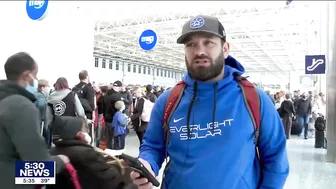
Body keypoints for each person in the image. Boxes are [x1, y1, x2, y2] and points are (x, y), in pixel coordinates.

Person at [130, 15, 289, 189]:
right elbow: (153, 146)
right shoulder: (168, 101)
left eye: (209, 42)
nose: (199, 51)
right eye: (191, 44)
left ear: (225, 48)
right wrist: (147, 164)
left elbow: (276, 160)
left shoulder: (255, 100)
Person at [0, 52, 69, 189]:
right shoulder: (21, 106)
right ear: (27, 75)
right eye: (35, 74)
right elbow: (39, 169)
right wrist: (60, 161)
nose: (36, 80)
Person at [49, 116, 136, 189]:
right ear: (80, 135)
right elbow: (109, 180)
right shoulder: (86, 154)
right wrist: (115, 167)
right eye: (85, 129)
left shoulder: (51, 154)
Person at [102, 80, 123, 149]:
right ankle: (116, 153)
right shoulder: (117, 96)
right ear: (119, 87)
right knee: (116, 138)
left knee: (109, 137)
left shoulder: (106, 94)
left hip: (106, 118)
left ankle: (109, 152)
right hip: (114, 119)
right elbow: (119, 108)